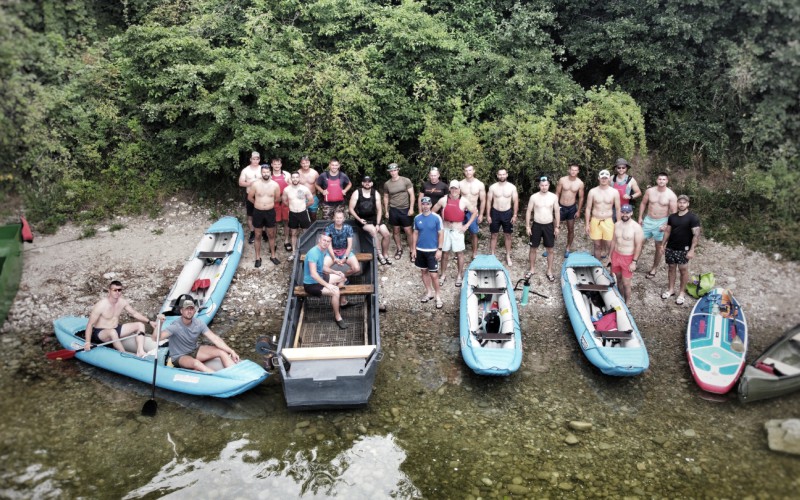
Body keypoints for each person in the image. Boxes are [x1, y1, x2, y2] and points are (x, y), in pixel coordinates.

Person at [154, 300, 239, 373]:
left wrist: (231, 351)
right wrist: (160, 323)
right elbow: (156, 338)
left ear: (194, 311)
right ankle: (218, 377)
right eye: (186, 309)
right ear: (181, 311)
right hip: (179, 357)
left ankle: (235, 373)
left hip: (194, 350)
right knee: (196, 364)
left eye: (191, 309)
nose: (189, 311)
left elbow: (215, 338)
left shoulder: (198, 323)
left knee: (221, 352)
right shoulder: (175, 326)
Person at [84, 281, 155, 357]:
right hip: (101, 333)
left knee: (140, 325)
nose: (117, 292)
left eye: (119, 290)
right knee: (112, 332)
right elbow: (90, 324)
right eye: (115, 290)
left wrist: (149, 322)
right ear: (109, 291)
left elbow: (134, 313)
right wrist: (87, 342)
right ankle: (124, 354)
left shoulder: (122, 302)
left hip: (116, 328)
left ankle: (140, 351)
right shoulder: (101, 305)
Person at [433, 180, 477, 287]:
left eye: (456, 188)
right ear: (449, 189)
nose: (454, 190)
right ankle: (443, 275)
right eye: (452, 188)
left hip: (458, 229)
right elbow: (433, 211)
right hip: (446, 229)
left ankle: (459, 276)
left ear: (459, 190)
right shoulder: (444, 200)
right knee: (445, 253)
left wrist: (466, 226)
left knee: (459, 253)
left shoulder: (464, 201)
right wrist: (439, 223)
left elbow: (475, 212)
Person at [661, 195, 701, 306]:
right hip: (671, 247)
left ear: (688, 204)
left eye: (684, 202)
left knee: (683, 270)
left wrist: (692, 250)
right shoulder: (672, 217)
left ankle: (682, 293)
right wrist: (663, 245)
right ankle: (671, 290)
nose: (681, 204)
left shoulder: (692, 218)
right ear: (677, 203)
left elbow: (696, 235)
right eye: (680, 202)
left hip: (684, 249)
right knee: (671, 268)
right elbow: (668, 231)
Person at [303, 233, 349, 329]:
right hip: (311, 284)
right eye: (324, 240)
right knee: (335, 291)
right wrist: (328, 285)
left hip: (320, 277)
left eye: (328, 241)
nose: (325, 243)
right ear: (319, 239)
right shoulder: (313, 253)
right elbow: (313, 274)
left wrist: (334, 271)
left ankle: (341, 301)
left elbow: (322, 267)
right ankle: (338, 317)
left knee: (342, 276)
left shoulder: (322, 251)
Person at [638, 172, 677, 278]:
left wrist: (666, 224)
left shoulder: (671, 195)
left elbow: (674, 213)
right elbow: (643, 203)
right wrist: (640, 217)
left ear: (667, 181)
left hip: (661, 222)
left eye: (664, 179)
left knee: (659, 246)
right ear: (657, 180)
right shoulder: (650, 191)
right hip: (648, 220)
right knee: (639, 242)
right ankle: (634, 262)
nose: (661, 181)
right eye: (660, 179)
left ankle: (654, 268)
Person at [349, 175, 392, 265]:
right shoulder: (357, 193)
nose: (367, 183)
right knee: (373, 231)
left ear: (371, 183)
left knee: (386, 233)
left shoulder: (375, 193)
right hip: (361, 219)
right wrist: (359, 219)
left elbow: (379, 210)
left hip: (374, 218)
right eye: (365, 182)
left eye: (369, 182)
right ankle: (379, 254)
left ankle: (385, 254)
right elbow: (351, 209)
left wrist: (377, 223)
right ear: (362, 183)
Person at [525, 176, 560, 283]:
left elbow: (557, 212)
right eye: (542, 185)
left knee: (550, 249)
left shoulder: (554, 197)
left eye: (546, 185)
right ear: (539, 185)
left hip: (549, 225)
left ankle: (549, 271)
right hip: (536, 225)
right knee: (533, 248)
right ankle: (532, 269)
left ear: (549, 185)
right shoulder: (534, 197)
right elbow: (528, 211)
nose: (544, 187)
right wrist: (527, 226)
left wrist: (557, 226)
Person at [412, 197, 444, 309]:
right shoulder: (417, 218)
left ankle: (438, 296)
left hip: (432, 250)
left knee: (434, 275)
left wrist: (439, 249)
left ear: (431, 205)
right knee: (424, 271)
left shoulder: (436, 218)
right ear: (421, 205)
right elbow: (415, 233)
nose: (425, 206)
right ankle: (429, 292)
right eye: (423, 204)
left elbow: (441, 234)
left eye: (427, 204)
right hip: (420, 250)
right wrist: (413, 249)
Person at [608, 204, 644, 303]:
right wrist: (610, 256)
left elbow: (638, 246)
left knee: (626, 283)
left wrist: (634, 262)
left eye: (627, 212)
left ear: (631, 213)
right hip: (616, 255)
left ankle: (627, 303)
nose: (625, 214)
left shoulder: (636, 227)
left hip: (628, 257)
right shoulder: (616, 225)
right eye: (623, 212)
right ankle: (620, 299)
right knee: (618, 279)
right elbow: (613, 241)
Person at [248, 165, 281, 267]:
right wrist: (258, 204)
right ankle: (258, 257)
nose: (266, 174)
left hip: (270, 212)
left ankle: (273, 255)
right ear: (261, 173)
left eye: (267, 172)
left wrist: (268, 204)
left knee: (271, 234)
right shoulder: (255, 185)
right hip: (258, 212)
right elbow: (250, 197)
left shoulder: (275, 185)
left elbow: (277, 198)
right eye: (264, 172)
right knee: (257, 235)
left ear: (270, 172)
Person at [585, 169, 621, 261]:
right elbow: (588, 208)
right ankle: (598, 265)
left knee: (610, 244)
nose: (604, 180)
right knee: (597, 245)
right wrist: (587, 224)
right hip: (595, 220)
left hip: (608, 220)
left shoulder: (614, 192)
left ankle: (613, 264)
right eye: (602, 178)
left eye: (606, 178)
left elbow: (618, 209)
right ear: (598, 178)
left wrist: (619, 224)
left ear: (609, 179)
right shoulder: (592, 191)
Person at [486, 168, 519, 266]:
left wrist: (515, 215)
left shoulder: (512, 187)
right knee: (494, 234)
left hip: (507, 213)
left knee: (508, 235)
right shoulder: (492, 187)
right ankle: (492, 255)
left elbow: (516, 201)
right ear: (497, 175)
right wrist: (488, 215)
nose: (502, 176)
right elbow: (488, 201)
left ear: (507, 175)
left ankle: (508, 255)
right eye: (500, 174)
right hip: (495, 212)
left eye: (503, 174)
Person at [383, 163, 415, 261]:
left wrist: (411, 208)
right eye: (391, 171)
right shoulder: (387, 184)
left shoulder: (406, 180)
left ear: (398, 170)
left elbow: (412, 195)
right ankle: (399, 249)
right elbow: (386, 197)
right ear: (389, 172)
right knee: (396, 231)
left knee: (408, 231)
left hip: (405, 209)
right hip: (393, 209)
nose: (393, 172)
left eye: (395, 170)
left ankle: (412, 251)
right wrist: (386, 210)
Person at [282, 171, 314, 261]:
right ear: (291, 179)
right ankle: (294, 253)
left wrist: (304, 206)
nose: (295, 179)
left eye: (297, 177)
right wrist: (291, 206)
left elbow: (311, 201)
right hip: (292, 213)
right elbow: (284, 200)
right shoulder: (287, 189)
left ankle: (308, 252)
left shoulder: (304, 189)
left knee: (306, 232)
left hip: (303, 213)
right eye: (293, 177)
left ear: (299, 178)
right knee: (294, 233)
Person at [555, 163, 585, 257]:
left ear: (578, 171)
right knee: (555, 227)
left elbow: (581, 197)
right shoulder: (562, 180)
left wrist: (579, 210)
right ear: (569, 170)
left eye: (576, 170)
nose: (573, 172)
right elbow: (557, 193)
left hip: (571, 208)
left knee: (571, 229)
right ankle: (550, 247)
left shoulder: (580, 183)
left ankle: (568, 248)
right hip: (561, 206)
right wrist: (555, 206)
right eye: (572, 170)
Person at [459, 164, 487, 259]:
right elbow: (455, 198)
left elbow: (483, 200)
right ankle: (459, 252)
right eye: (466, 170)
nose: (468, 172)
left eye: (470, 170)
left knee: (474, 233)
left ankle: (474, 253)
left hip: (473, 211)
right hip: (462, 210)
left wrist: (482, 214)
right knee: (459, 231)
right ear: (464, 172)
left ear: (474, 171)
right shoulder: (460, 184)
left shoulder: (479, 184)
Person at [325, 209, 361, 278]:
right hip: (333, 251)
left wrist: (345, 257)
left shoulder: (348, 228)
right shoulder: (329, 228)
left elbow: (350, 245)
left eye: (340, 218)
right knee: (323, 268)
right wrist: (334, 257)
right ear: (334, 218)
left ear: (343, 219)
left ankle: (343, 277)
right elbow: (328, 244)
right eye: (337, 218)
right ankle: (335, 278)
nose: (338, 219)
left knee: (356, 268)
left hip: (345, 251)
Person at [238, 151, 263, 245]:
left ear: (259, 159)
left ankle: (263, 232)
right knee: (250, 215)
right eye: (254, 159)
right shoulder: (246, 170)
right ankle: (252, 232)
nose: (255, 160)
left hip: (262, 195)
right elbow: (240, 183)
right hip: (250, 194)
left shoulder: (263, 168)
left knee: (263, 214)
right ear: (250, 159)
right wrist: (251, 183)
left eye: (257, 159)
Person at [270, 157, 292, 252]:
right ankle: (273, 242)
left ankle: (286, 241)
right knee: (274, 223)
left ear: (281, 164)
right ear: (272, 165)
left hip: (285, 201)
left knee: (286, 221)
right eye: (275, 164)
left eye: (278, 164)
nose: (277, 166)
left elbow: (292, 186)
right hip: (274, 202)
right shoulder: (269, 175)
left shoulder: (286, 174)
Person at [297, 156, 320, 221]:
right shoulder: (298, 173)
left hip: (313, 197)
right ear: (301, 164)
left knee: (313, 216)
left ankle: (314, 230)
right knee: (302, 217)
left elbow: (319, 184)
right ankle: (305, 230)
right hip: (301, 198)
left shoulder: (314, 173)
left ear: (309, 163)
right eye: (303, 163)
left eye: (306, 163)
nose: (305, 165)